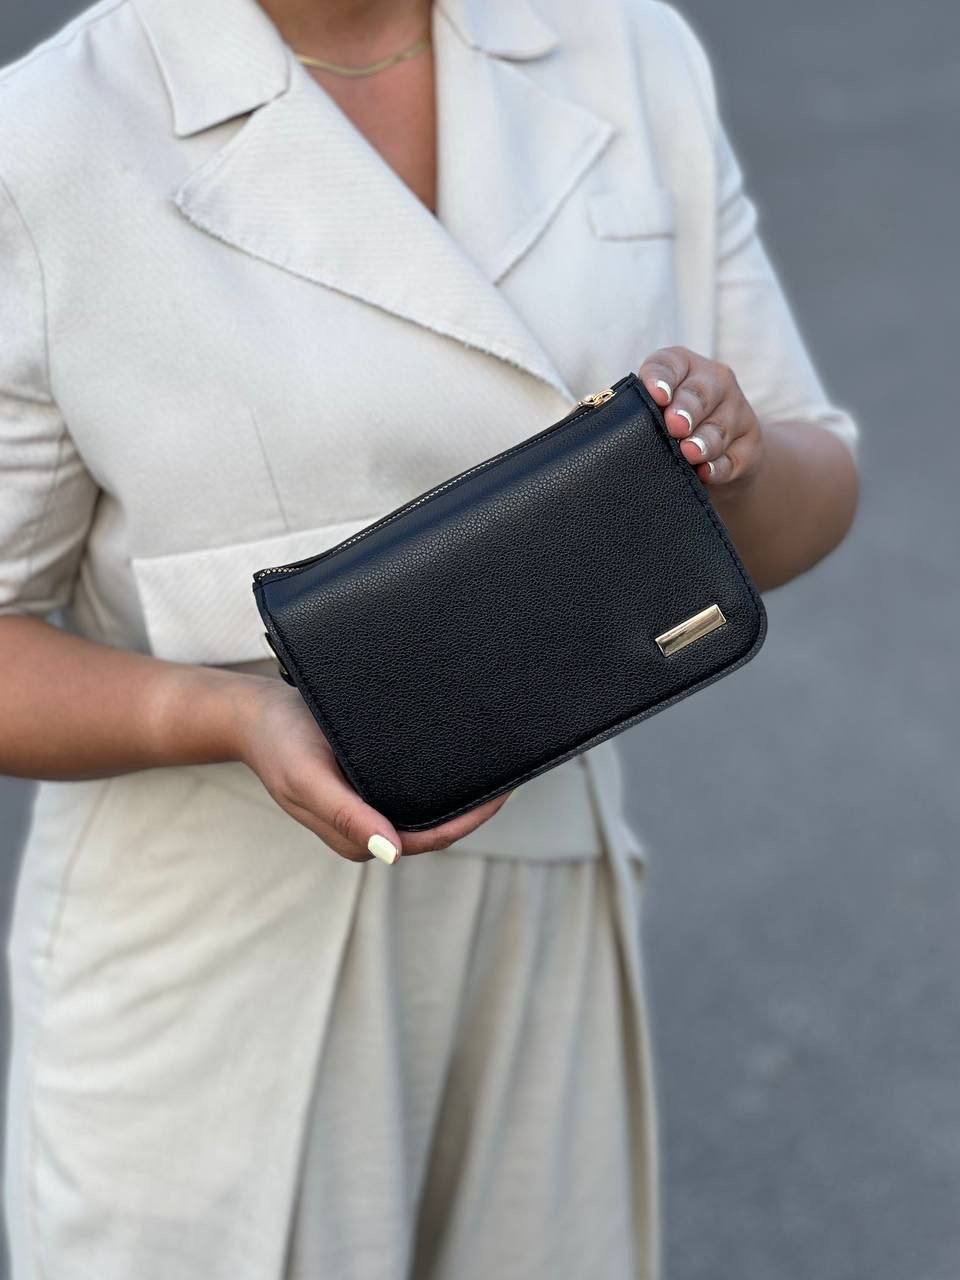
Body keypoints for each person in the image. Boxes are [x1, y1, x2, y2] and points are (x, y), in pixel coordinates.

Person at [0, 0, 859, 1275]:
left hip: (542, 906)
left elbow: (812, 483)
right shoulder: (49, 136)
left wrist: (728, 461)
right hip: (214, 969)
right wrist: (224, 712)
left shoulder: (624, 47)